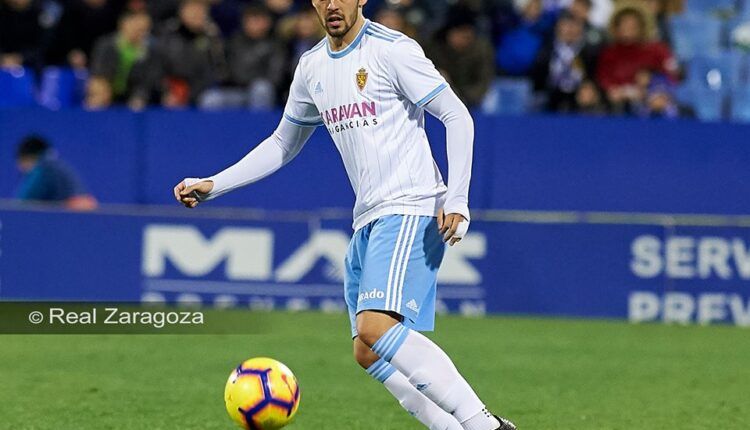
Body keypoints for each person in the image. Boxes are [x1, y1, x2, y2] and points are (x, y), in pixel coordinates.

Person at [174, 1, 516, 429]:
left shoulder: (393, 50)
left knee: (375, 327)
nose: (332, 4)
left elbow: (457, 116)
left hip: (411, 204)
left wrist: (458, 199)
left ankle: (484, 424)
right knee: (367, 350)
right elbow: (283, 143)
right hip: (368, 217)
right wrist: (215, 183)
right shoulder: (313, 66)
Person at [595, 6, 678, 112]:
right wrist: (618, 92)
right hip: (616, 108)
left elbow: (672, 76)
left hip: (654, 106)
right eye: (623, 24)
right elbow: (603, 79)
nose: (628, 29)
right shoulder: (608, 53)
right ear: (616, 27)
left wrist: (653, 87)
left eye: (633, 25)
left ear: (642, 26)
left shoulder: (658, 50)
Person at [89, 9, 162, 110]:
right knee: (95, 100)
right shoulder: (105, 45)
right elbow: (98, 73)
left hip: (135, 98)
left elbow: (149, 81)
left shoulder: (152, 51)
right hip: (107, 94)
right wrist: (101, 93)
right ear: (123, 24)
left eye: (144, 29)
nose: (139, 32)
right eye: (136, 27)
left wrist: (140, 97)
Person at [158, 0, 226, 107]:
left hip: (200, 92)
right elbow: (158, 67)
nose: (197, 14)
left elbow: (218, 72)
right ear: (182, 12)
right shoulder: (168, 34)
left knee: (213, 99)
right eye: (193, 9)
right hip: (170, 90)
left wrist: (215, 41)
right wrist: (166, 91)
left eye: (201, 10)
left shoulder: (211, 36)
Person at [532, 11, 600, 112]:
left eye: (574, 25)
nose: (570, 29)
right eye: (566, 25)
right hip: (550, 93)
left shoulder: (589, 51)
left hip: (578, 94)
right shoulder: (547, 49)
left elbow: (593, 76)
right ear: (558, 27)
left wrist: (589, 87)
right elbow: (538, 74)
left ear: (581, 29)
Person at [427, 10, 495, 108]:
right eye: (460, 34)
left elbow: (483, 82)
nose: (464, 39)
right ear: (449, 34)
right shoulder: (434, 48)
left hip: (470, 103)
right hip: (435, 103)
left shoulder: (481, 50)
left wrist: (461, 98)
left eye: (467, 36)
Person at [15, 135, 97, 210]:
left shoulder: (44, 169)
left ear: (29, 157)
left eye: (21, 162)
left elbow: (22, 205)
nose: (20, 168)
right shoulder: (59, 166)